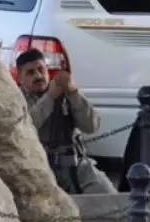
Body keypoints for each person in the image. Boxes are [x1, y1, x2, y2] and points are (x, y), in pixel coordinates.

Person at [16, 49, 117, 195]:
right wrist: (50, 98)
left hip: (76, 163)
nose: (38, 76)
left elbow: (92, 126)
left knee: (108, 196)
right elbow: (26, 127)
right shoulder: (16, 99)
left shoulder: (64, 91)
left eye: (40, 69)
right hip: (39, 165)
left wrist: (74, 93)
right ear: (20, 77)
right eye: (30, 72)